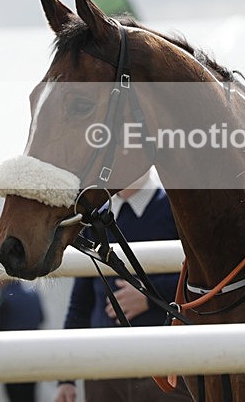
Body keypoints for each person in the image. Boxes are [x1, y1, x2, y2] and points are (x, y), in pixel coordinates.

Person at [54, 168, 191, 402]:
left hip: (164, 367)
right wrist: (66, 377)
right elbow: (81, 300)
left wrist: (149, 297)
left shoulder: (176, 208)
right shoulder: (92, 217)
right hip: (103, 371)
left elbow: (199, 278)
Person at [0, 279, 46, 402]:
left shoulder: (3, 298)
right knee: (30, 395)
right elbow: (42, 318)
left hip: (10, 356)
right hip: (32, 354)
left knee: (14, 395)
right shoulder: (34, 293)